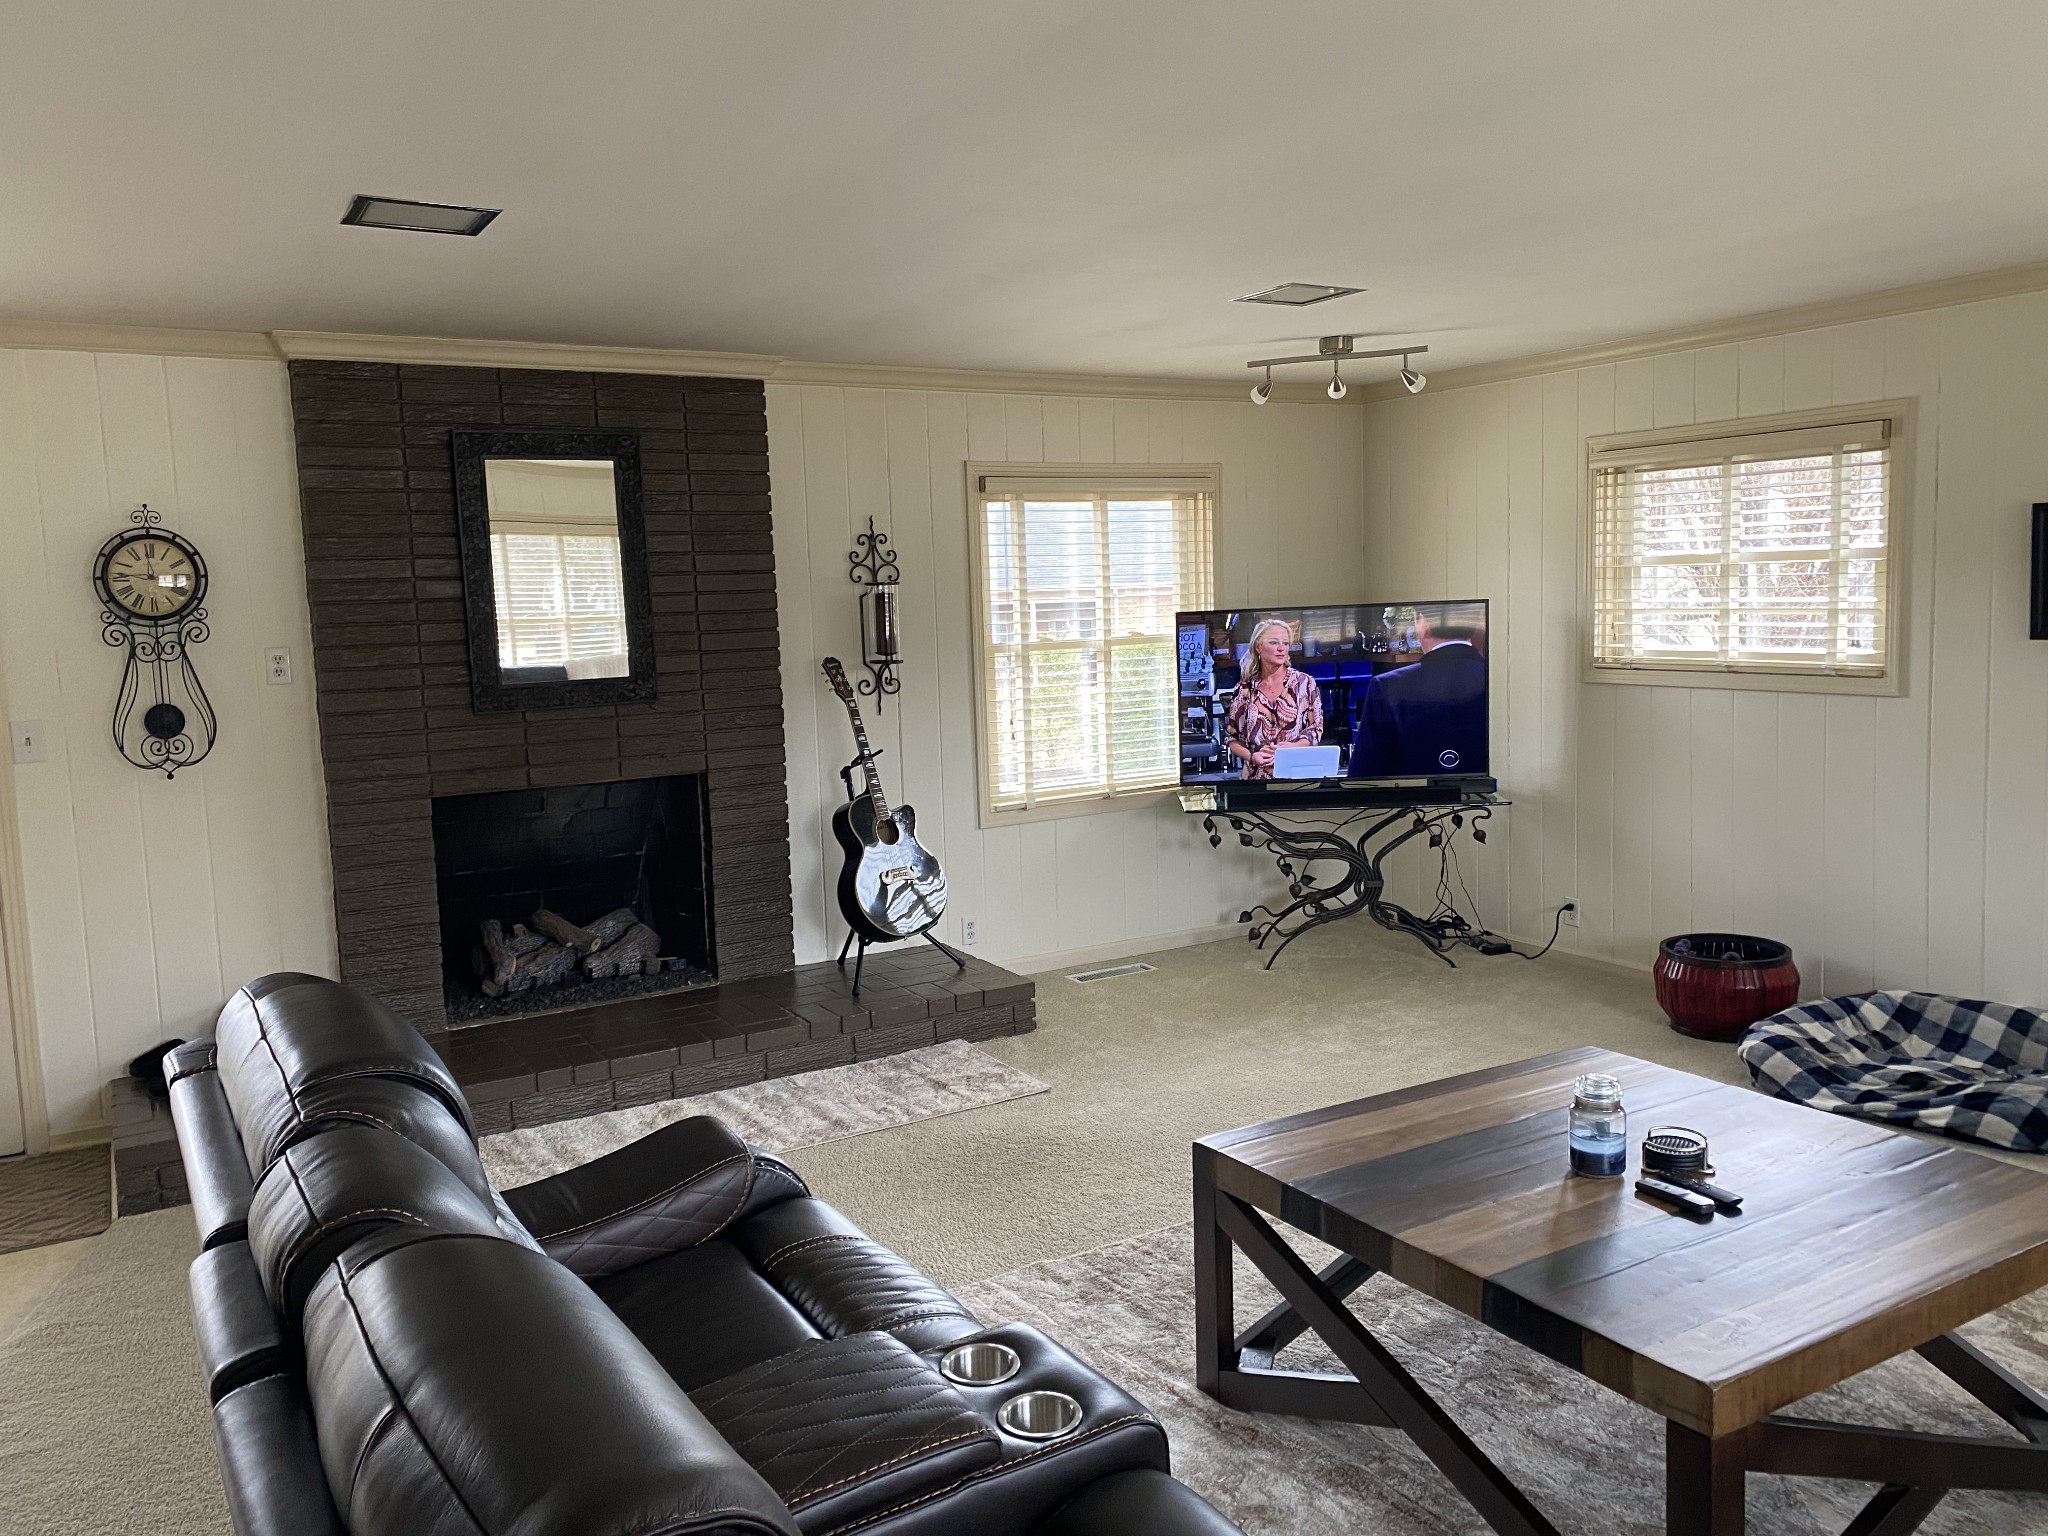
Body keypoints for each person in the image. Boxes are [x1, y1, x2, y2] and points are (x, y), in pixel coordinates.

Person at [1348, 602, 1488, 778]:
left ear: (1423, 624)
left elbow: (1362, 780)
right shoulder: (1500, 682)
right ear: (1474, 625)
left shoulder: (1387, 687)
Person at [1223, 618, 1325, 780]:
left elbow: (1315, 729)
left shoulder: (1304, 684)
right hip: (1255, 779)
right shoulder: (1244, 689)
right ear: (1258, 647)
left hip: (1296, 778)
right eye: (1273, 642)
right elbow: (1232, 739)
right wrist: (1251, 757)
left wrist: (1291, 748)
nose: (1281, 649)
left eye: (1285, 643)